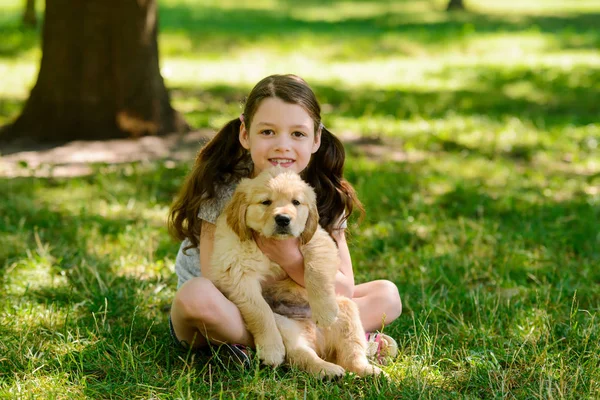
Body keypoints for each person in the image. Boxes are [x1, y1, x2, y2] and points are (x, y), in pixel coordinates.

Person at [167, 74, 402, 367]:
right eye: (267, 132)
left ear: (316, 139)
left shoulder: (325, 194)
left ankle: (269, 346)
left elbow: (343, 289)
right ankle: (302, 343)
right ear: (244, 133)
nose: (282, 145)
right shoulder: (225, 191)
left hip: (300, 304)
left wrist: (290, 259)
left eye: (298, 134)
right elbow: (218, 282)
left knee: (387, 296)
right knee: (195, 297)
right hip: (229, 309)